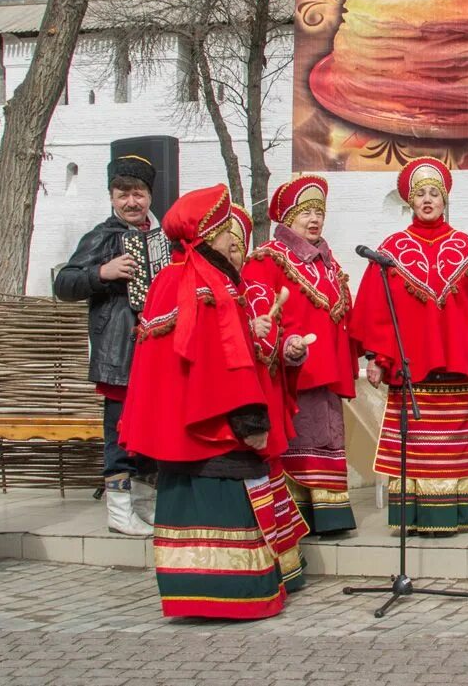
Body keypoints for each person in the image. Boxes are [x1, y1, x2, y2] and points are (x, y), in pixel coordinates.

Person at [119, 186, 309, 619]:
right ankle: (234, 598)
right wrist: (249, 417)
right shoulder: (208, 286)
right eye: (226, 231)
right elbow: (223, 360)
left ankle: (198, 596)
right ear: (209, 233)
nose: (232, 241)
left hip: (186, 427)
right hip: (217, 427)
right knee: (226, 505)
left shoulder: (181, 279)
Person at [351, 157, 468, 536]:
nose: (427, 200)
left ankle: (463, 514)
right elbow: (378, 310)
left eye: (434, 194)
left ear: (444, 200)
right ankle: (420, 516)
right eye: (420, 195)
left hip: (461, 365)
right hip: (410, 369)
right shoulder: (390, 251)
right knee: (418, 446)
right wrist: (375, 358)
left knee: (459, 443)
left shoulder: (467, 248)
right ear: (410, 203)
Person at [242, 175, 359, 535]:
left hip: (327, 372)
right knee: (300, 436)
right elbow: (260, 309)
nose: (314, 219)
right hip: (294, 371)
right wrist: (286, 342)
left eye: (319, 212)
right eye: (305, 212)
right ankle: (299, 513)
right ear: (287, 218)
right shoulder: (268, 259)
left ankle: (328, 511)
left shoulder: (328, 262)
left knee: (327, 435)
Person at [53, 154, 159, 537]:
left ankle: (144, 505)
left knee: (151, 429)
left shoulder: (161, 238)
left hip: (156, 352)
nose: (131, 202)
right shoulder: (102, 236)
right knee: (121, 430)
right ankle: (118, 509)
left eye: (138, 194)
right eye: (122, 194)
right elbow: (64, 284)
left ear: (150, 196)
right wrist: (102, 272)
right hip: (120, 351)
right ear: (112, 197)